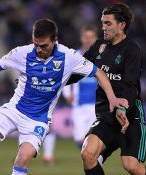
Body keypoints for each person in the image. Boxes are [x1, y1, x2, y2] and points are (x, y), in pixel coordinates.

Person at [0, 18, 128, 175]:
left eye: (43, 46)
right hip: (14, 110)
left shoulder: (69, 56)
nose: (38, 49)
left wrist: (112, 98)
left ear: (55, 40)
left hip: (38, 121)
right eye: (36, 44)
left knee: (22, 159)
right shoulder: (21, 53)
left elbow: (98, 72)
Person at [67, 3, 146, 175]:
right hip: (106, 117)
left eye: (108, 23)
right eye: (102, 23)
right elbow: (78, 72)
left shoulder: (132, 50)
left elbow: (131, 86)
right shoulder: (99, 46)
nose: (103, 28)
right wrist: (51, 83)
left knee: (130, 165)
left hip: (129, 117)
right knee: (87, 154)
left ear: (121, 25)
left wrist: (122, 108)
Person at [41, 25, 99, 165]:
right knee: (79, 137)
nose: (88, 40)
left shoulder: (102, 56)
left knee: (94, 137)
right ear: (81, 38)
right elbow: (66, 76)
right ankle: (91, 158)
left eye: (91, 37)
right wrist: (67, 94)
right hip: (78, 104)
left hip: (97, 105)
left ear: (96, 38)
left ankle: (94, 161)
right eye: (86, 37)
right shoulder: (75, 56)